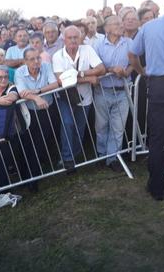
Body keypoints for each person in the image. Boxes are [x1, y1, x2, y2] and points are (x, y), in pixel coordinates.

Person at [129, 0, 164, 201]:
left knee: (157, 139)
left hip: (160, 86)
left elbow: (132, 53)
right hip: (163, 84)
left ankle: (156, 188)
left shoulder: (149, 27)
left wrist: (142, 72)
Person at [52, 26, 105, 171]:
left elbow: (101, 69)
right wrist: (89, 78)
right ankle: (67, 159)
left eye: (76, 37)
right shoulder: (58, 56)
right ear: (64, 39)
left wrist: (80, 74)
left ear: (80, 38)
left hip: (85, 97)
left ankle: (74, 155)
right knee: (67, 124)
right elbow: (61, 80)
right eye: (70, 37)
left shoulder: (87, 50)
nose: (73, 40)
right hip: (65, 97)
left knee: (80, 128)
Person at [15, 47, 60, 185]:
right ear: (25, 61)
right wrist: (37, 98)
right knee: (29, 143)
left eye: (38, 58)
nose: (36, 61)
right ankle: (28, 177)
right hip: (29, 112)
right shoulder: (20, 72)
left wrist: (38, 91)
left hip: (47, 109)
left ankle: (34, 177)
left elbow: (54, 84)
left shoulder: (46, 66)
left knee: (41, 142)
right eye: (32, 59)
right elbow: (22, 92)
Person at [94, 16, 132, 172]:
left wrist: (126, 72)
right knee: (101, 126)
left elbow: (133, 63)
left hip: (123, 91)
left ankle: (113, 158)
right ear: (107, 28)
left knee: (118, 127)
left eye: (120, 23)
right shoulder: (98, 45)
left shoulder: (129, 43)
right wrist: (110, 70)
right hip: (103, 91)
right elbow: (95, 66)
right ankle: (102, 155)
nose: (120, 25)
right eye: (116, 23)